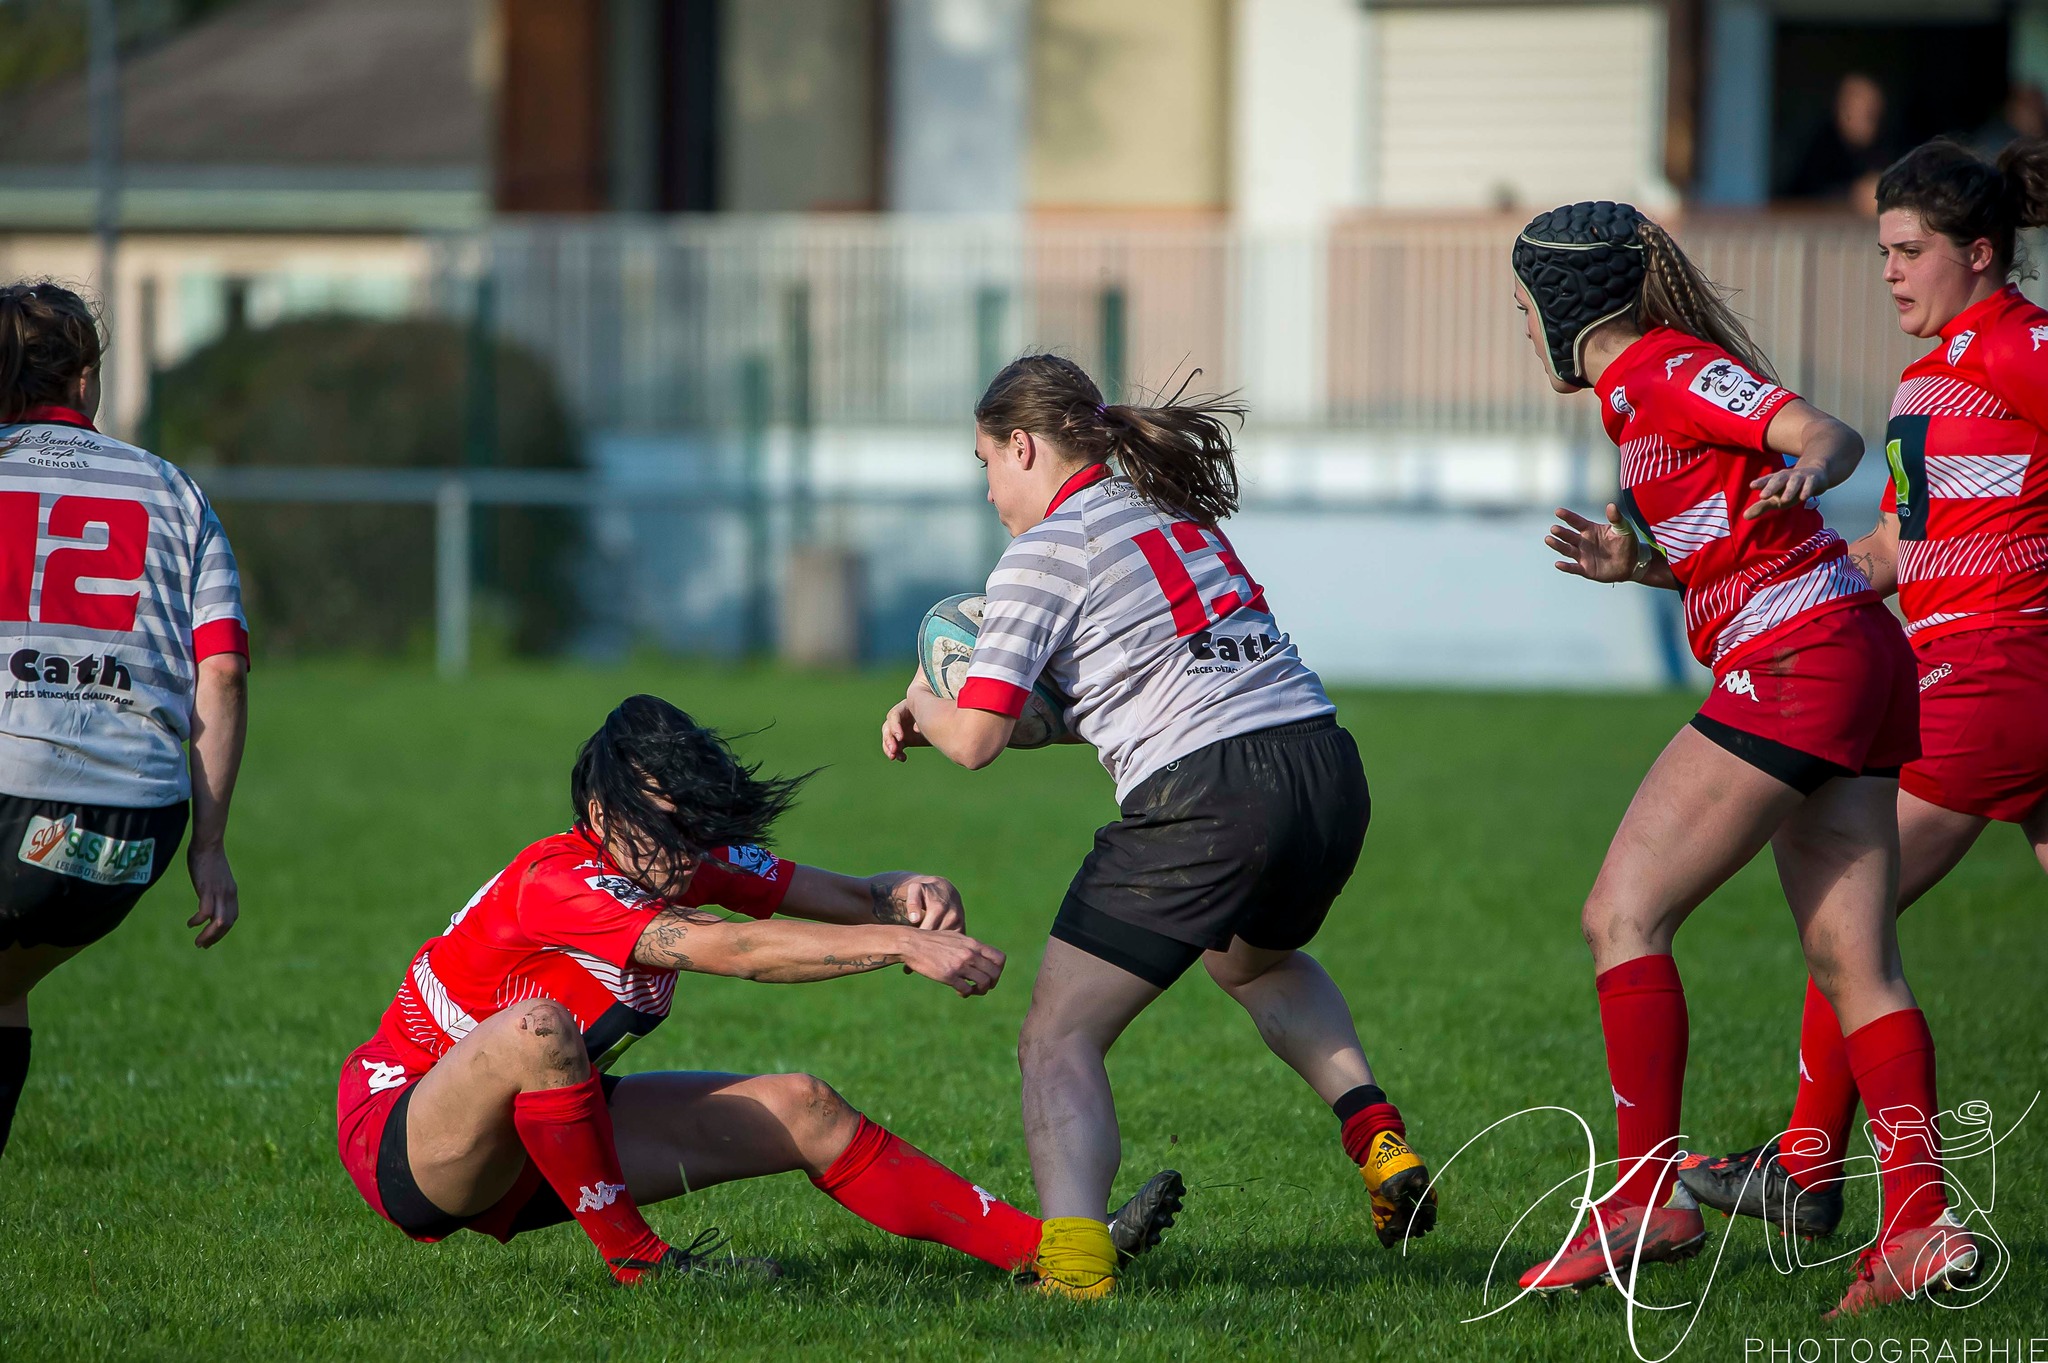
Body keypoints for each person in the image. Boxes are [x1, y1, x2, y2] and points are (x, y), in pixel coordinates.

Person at [880, 356, 1439, 1300]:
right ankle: (1376, 1136)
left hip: (1212, 796)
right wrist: (965, 710)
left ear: (1023, 446)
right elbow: (1090, 711)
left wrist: (919, 701)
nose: (988, 491)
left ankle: (1074, 1273)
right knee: (1250, 961)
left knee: (1057, 1038)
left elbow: (974, 739)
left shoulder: (1043, 550)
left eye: (986, 464)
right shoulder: (1170, 517)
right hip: (1322, 765)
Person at [1510, 203, 1975, 1317]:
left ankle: (1639, 1200)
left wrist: (1809, 462)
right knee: (1851, 958)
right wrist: (1639, 564)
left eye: (1521, 306)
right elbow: (1732, 541)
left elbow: (1818, 432)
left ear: (1560, 305)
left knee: (1620, 913)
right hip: (1851, 655)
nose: (1521, 328)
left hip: (1799, 659)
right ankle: (1916, 1223)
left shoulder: (1659, 369)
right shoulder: (1638, 402)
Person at [336, 694, 1182, 1287]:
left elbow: (840, 892)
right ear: (600, 805)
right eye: (661, 821)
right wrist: (894, 947)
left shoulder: (672, 852)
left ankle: (1056, 1259)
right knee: (536, 1030)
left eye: (690, 823)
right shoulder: (560, 879)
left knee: (805, 1106)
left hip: (542, 1136)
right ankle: (642, 1264)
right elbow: (733, 948)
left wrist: (902, 894)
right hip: (409, 1138)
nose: (682, 847)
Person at [1681, 139, 2048, 1248]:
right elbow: (1901, 542)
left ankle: (1807, 1166)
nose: (1887, 271)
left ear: (1978, 254)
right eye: (1879, 250)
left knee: (1846, 911)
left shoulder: (2019, 344)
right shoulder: (1932, 371)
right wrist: (1774, 567)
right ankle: (1805, 1166)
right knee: (1851, 915)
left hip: (1991, 677)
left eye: (1909, 250)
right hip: (1991, 679)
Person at [0, 280, 247, 1160]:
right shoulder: (174, 491)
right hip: (130, 826)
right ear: (87, 378)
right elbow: (220, 670)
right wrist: (209, 846)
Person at [1786, 72, 1899, 213]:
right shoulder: (1820, 146)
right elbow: (1806, 196)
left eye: (1870, 112)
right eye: (1856, 105)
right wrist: (1852, 196)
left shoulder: (1888, 147)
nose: (1863, 114)